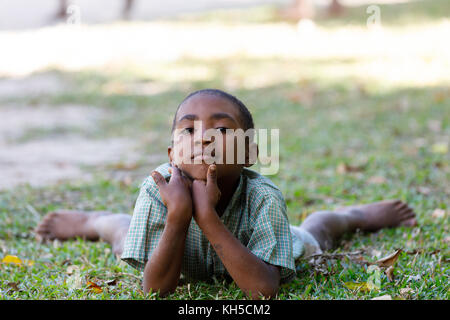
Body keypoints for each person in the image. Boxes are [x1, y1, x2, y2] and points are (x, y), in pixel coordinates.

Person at [35, 89, 417, 299]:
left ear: (249, 152)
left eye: (221, 129)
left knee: (315, 233)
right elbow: (155, 290)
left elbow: (264, 291)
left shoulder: (263, 195)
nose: (202, 136)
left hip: (261, 255)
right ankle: (96, 221)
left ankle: (354, 215)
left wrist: (208, 219)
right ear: (171, 155)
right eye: (188, 130)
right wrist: (178, 215)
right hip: (172, 250)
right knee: (123, 237)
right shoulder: (157, 189)